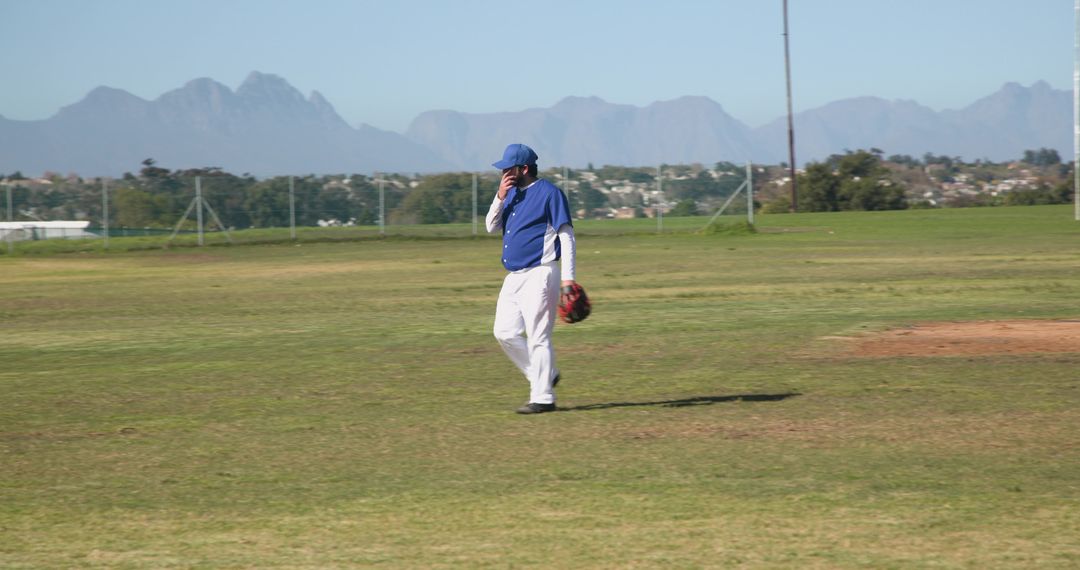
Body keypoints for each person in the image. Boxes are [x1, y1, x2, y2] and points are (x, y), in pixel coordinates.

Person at [485, 143, 577, 414]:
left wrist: (568, 280)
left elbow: (566, 236)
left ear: (523, 169)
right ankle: (544, 374)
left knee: (539, 337)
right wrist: (500, 196)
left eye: (507, 168)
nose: (503, 172)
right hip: (514, 276)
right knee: (504, 332)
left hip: (541, 272)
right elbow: (491, 226)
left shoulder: (550, 193)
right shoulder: (510, 194)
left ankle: (543, 397)